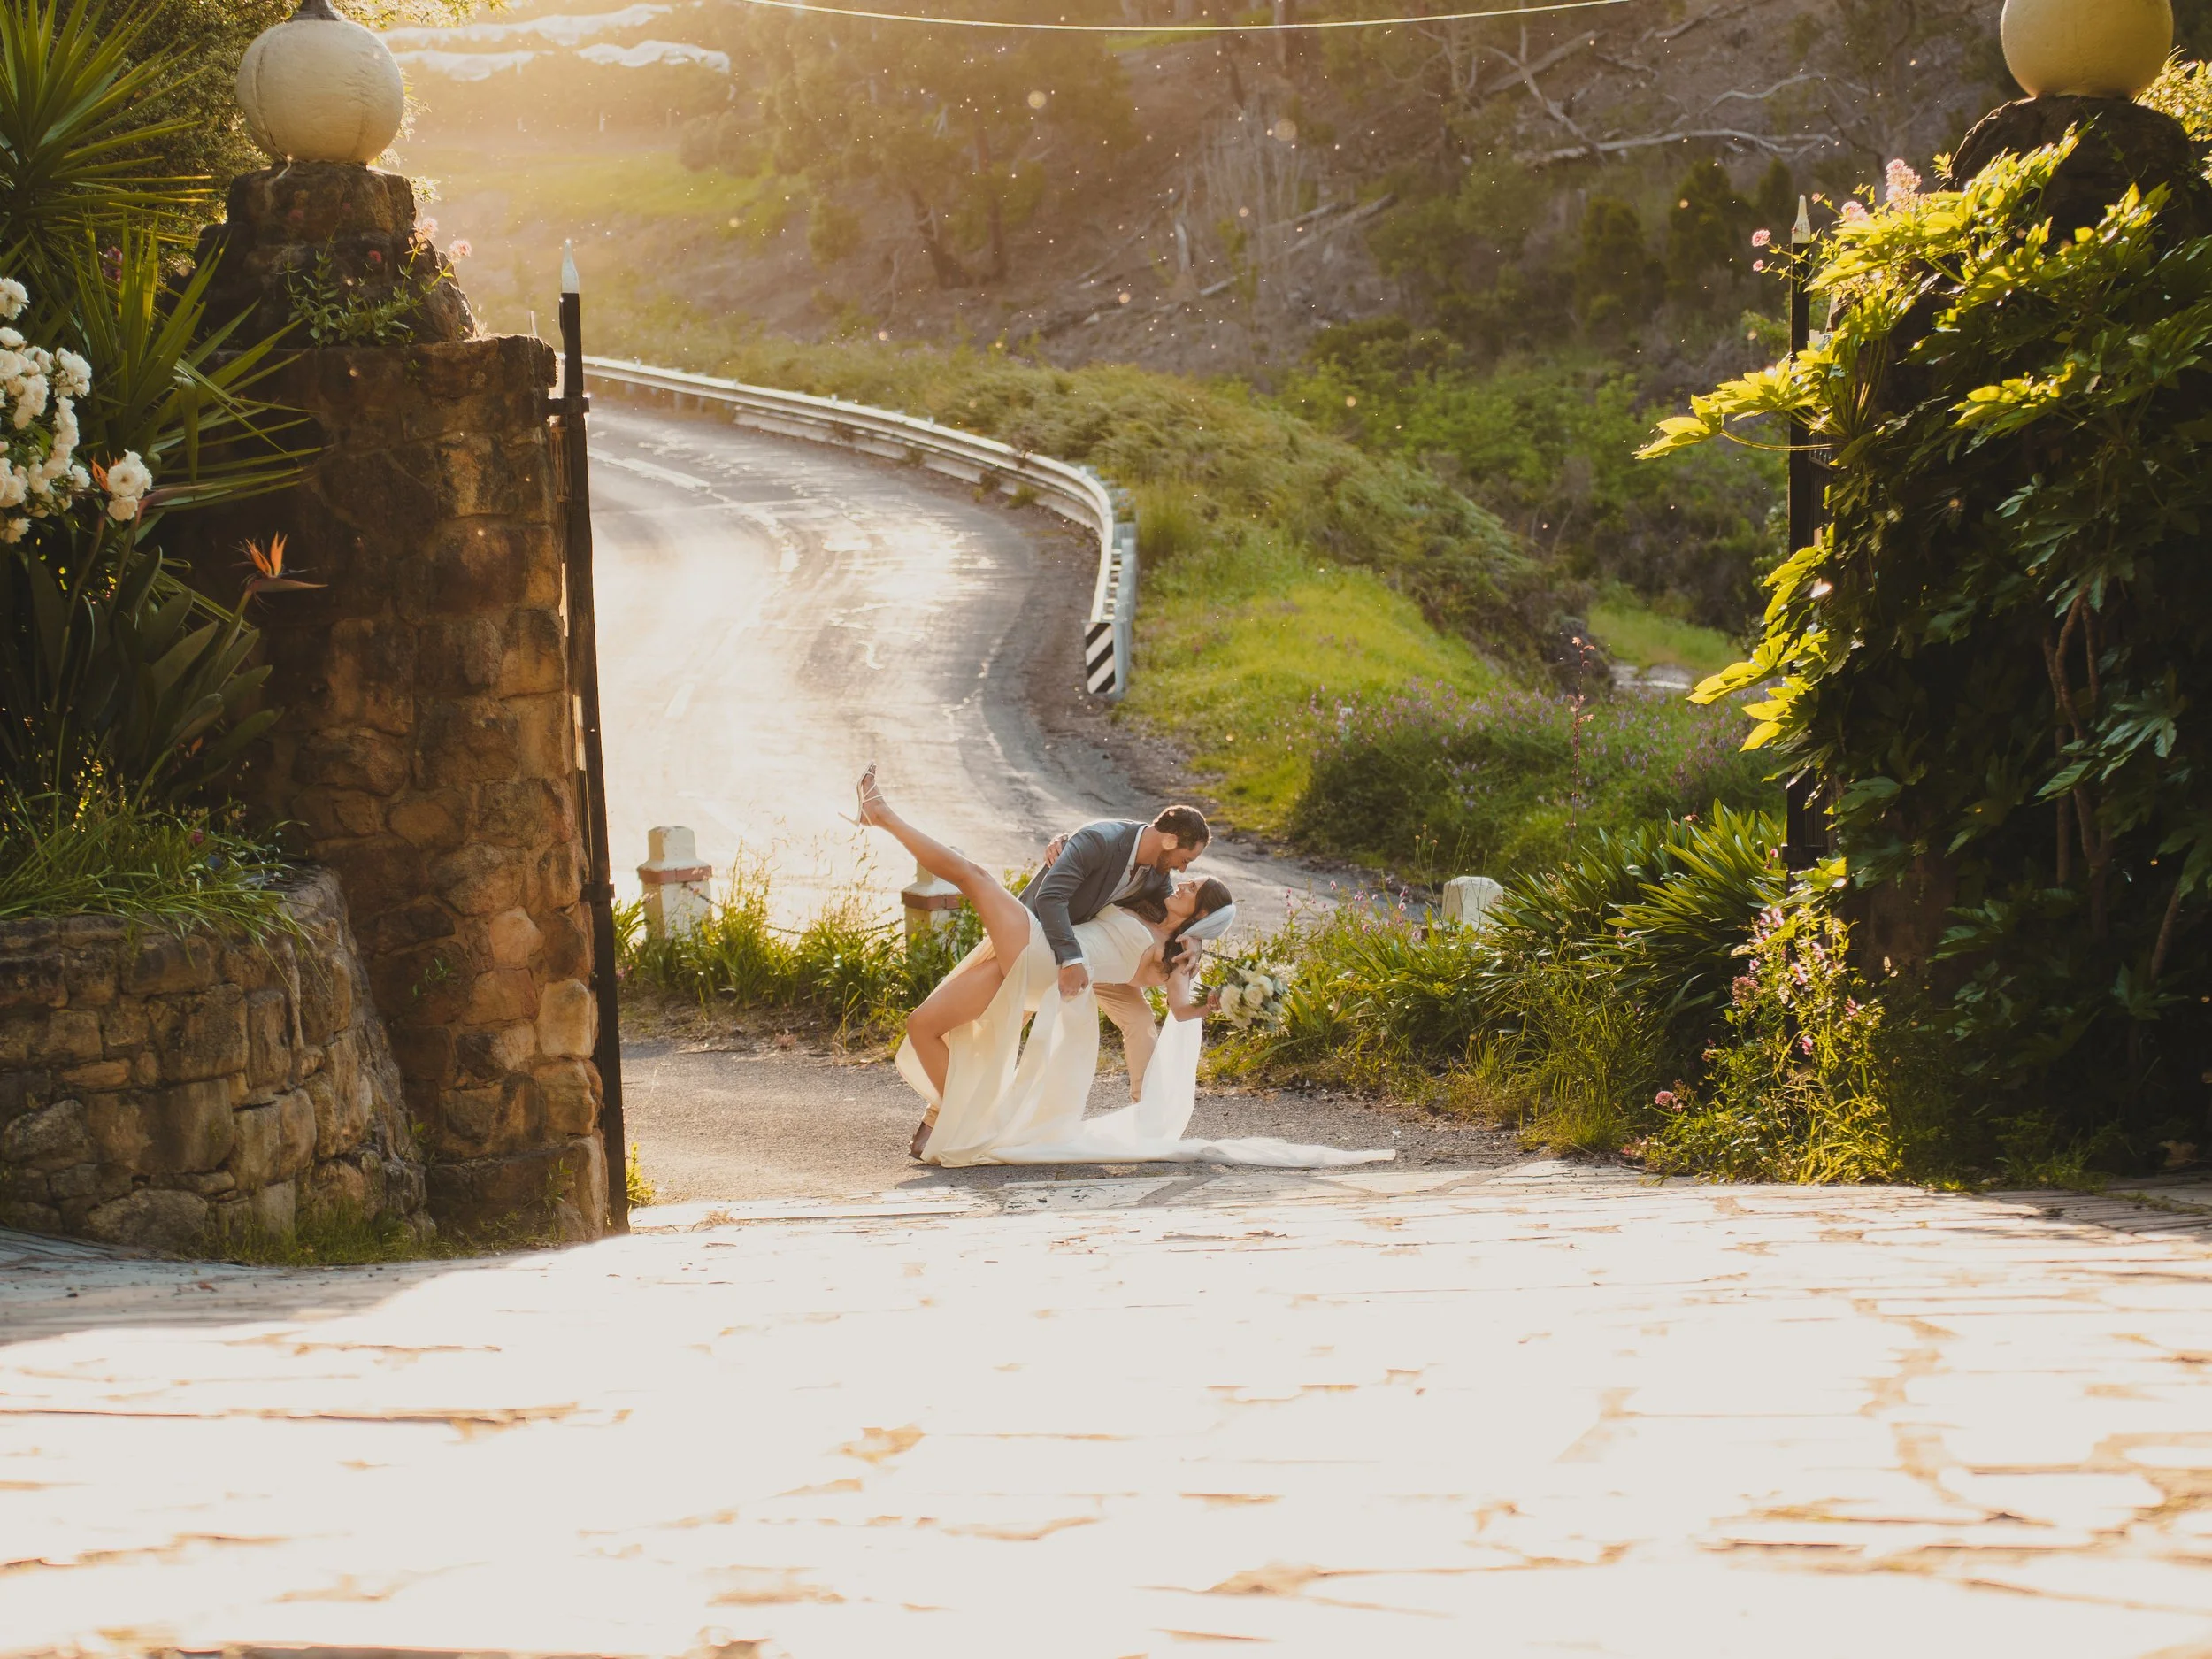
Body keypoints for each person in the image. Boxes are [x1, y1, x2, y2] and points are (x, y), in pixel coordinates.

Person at [853, 768, 1392, 1171]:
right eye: (1187, 866)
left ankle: (882, 814)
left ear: (1197, 918)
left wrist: (1218, 993)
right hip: (1046, 955)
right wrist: (1060, 857)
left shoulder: (1171, 946)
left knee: (972, 876)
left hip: (1044, 957)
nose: (1184, 877)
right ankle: (959, 1117)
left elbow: (1178, 1009)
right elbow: (1064, 896)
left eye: (1192, 885)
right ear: (1172, 841)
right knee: (923, 1025)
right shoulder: (1134, 872)